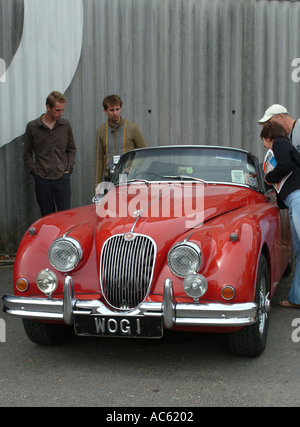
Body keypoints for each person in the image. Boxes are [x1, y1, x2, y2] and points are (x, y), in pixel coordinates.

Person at [261, 121, 300, 308]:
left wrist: (269, 177)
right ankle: (296, 298)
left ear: (268, 137)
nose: (265, 146)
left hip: (297, 198)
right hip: (294, 200)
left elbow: (284, 166)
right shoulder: (286, 145)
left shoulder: (279, 143)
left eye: (264, 142)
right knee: (299, 251)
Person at [23, 91, 76, 216]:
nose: (60, 113)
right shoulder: (33, 127)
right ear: (48, 107)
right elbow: (27, 153)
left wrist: (68, 170)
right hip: (42, 180)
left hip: (62, 179)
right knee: (47, 218)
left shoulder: (65, 125)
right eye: (57, 110)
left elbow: (71, 149)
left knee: (65, 217)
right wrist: (35, 173)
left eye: (62, 110)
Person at [94, 95, 146, 186]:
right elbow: (99, 158)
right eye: (111, 110)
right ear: (105, 111)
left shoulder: (132, 128)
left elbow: (144, 151)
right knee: (110, 200)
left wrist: (132, 168)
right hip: (109, 177)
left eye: (117, 109)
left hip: (127, 176)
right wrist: (97, 183)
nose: (115, 113)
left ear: (121, 109)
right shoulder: (101, 130)